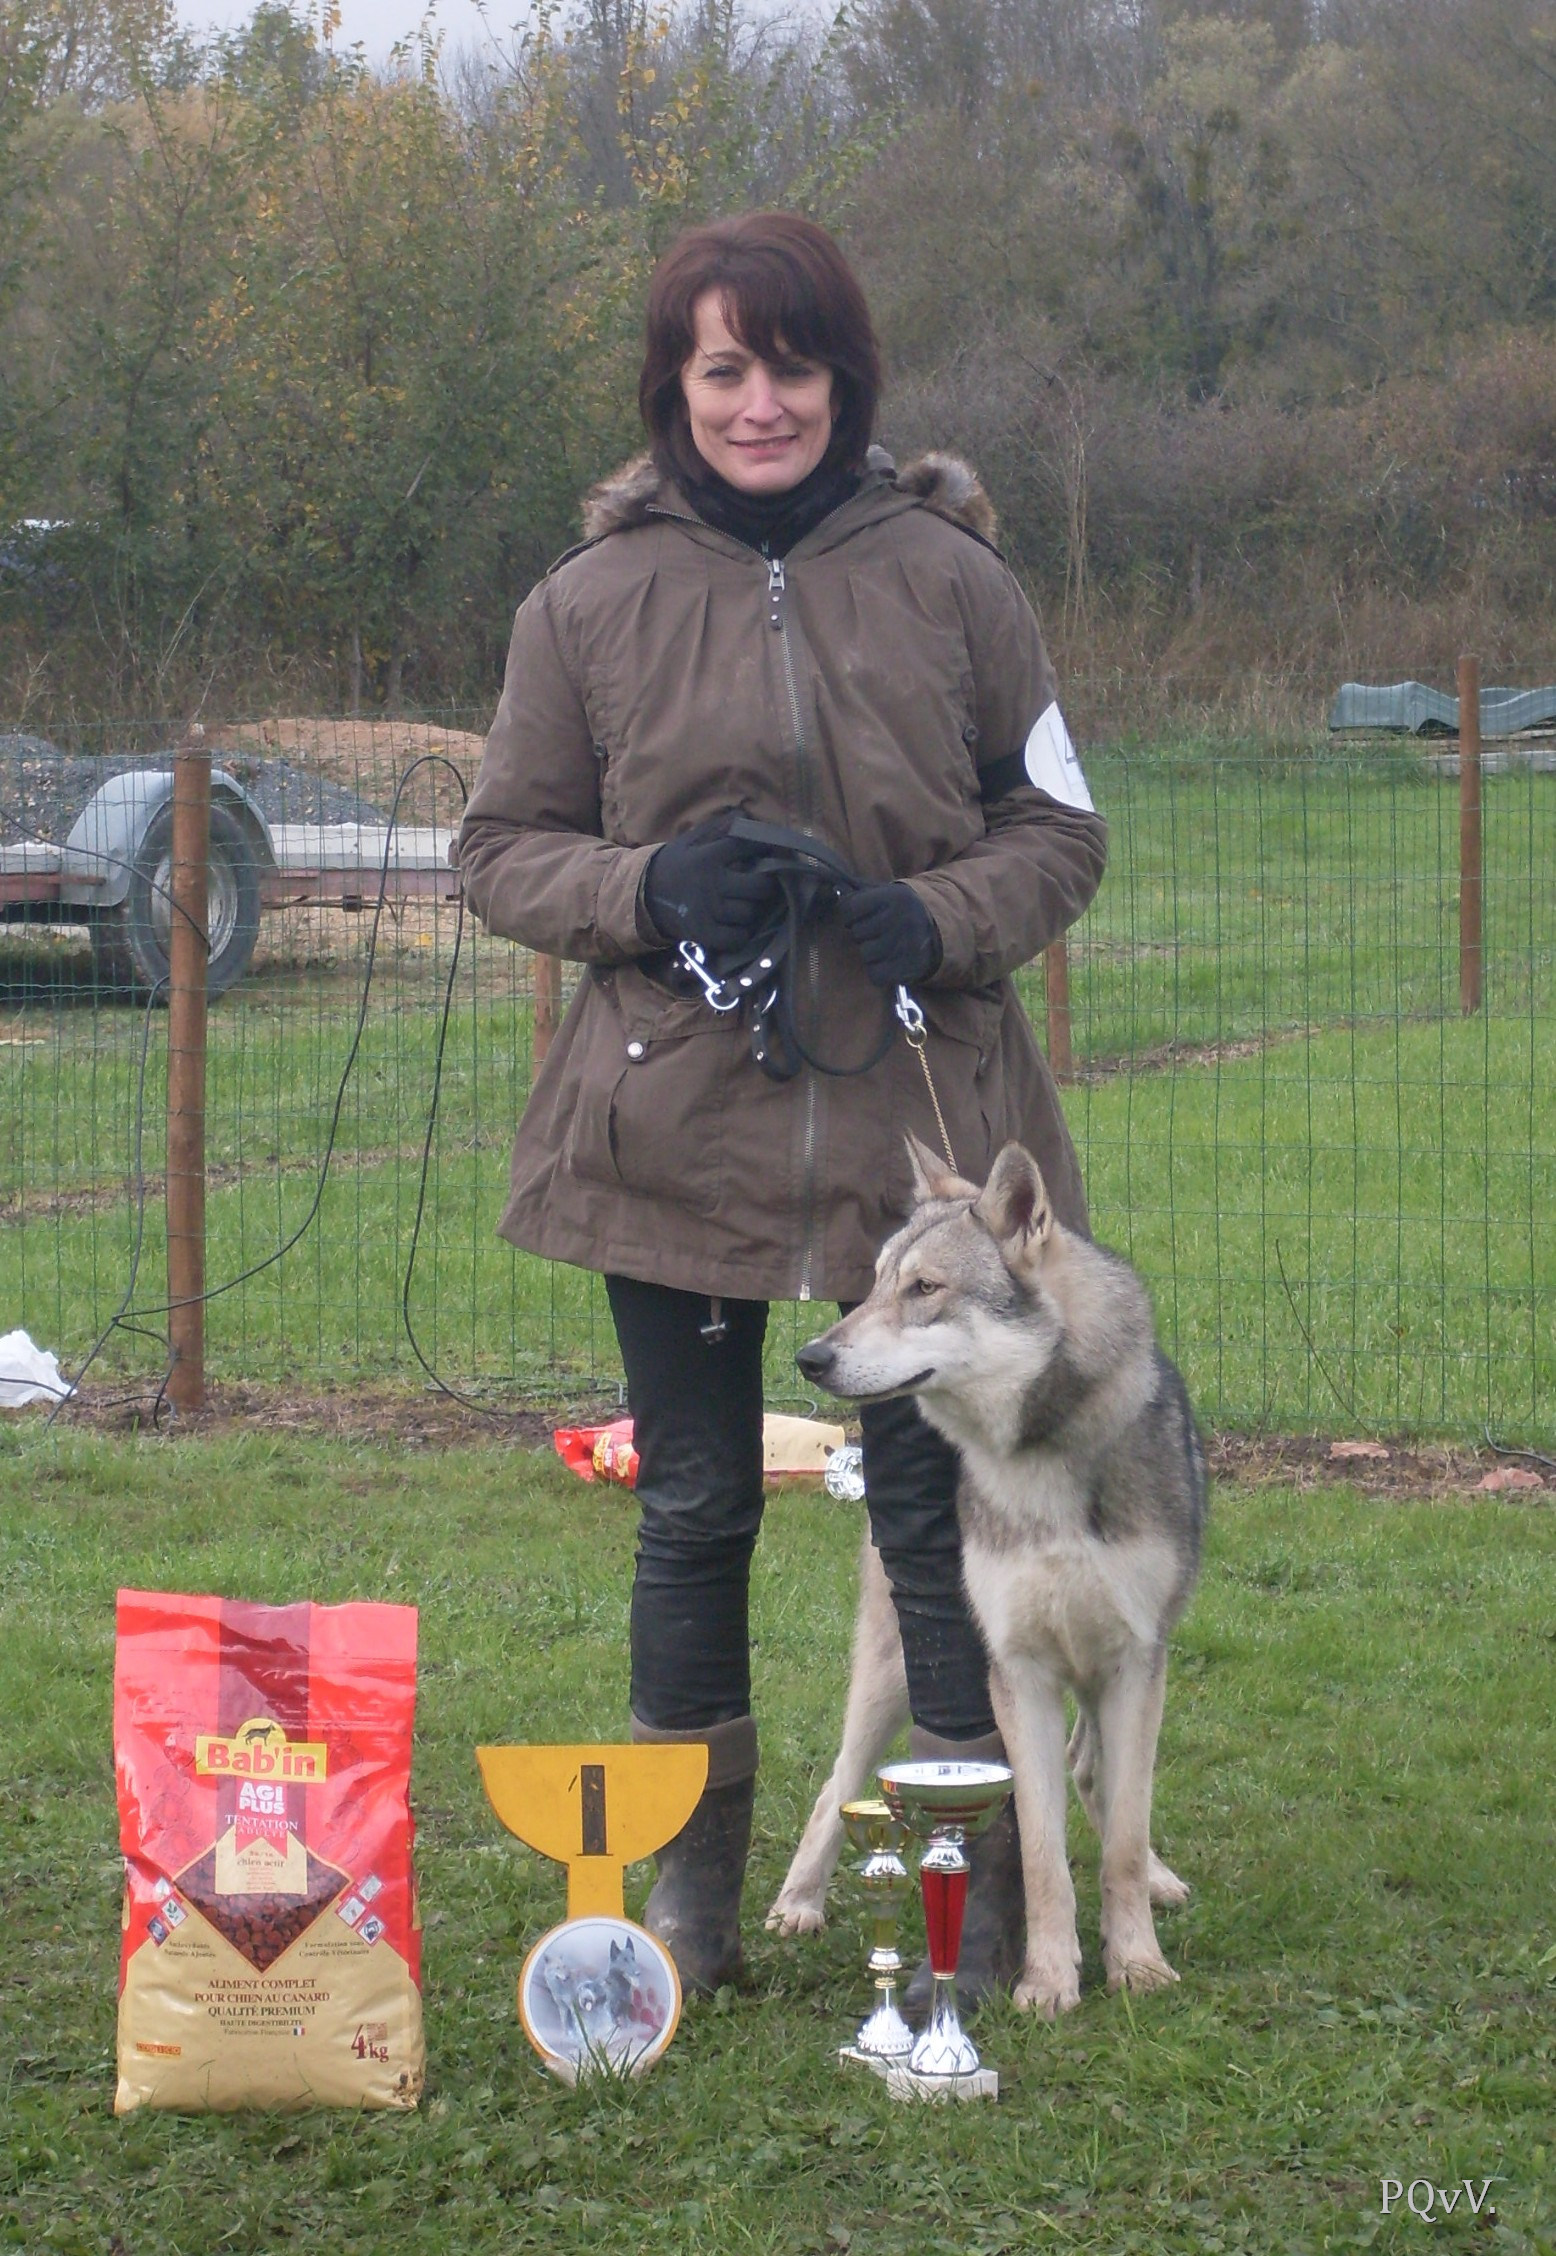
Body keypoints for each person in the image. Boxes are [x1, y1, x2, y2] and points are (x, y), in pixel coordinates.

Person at [455, 211, 1107, 1999]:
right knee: (693, 1506)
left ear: (847, 378)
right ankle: (693, 1898)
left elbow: (1060, 829)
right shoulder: (582, 604)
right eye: (724, 367)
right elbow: (502, 848)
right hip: (671, 1129)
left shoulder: (958, 580)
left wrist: (939, 914)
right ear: (677, 382)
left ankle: (962, 1916)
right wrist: (648, 892)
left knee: (937, 1512)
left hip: (918, 1142)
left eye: (792, 365)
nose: (761, 403)